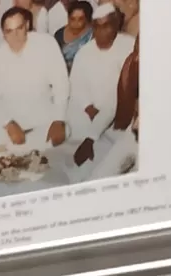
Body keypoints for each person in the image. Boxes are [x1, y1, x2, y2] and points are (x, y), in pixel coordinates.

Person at [0, 7, 69, 155]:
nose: (15, 36)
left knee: (65, 131)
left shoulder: (46, 44)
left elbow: (61, 84)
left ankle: (9, 148)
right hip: (11, 121)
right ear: (3, 33)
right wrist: (8, 124)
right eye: (9, 31)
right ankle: (21, 146)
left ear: (27, 25)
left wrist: (58, 120)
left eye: (19, 28)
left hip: (43, 119)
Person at [68, 4, 137, 170]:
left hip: (119, 115)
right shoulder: (84, 52)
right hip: (88, 113)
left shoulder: (129, 46)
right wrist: (88, 106)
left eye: (106, 26)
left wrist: (92, 134)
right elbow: (76, 84)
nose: (100, 32)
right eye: (97, 27)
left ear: (116, 25)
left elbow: (119, 95)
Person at [55, 0, 95, 69]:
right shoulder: (59, 35)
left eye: (80, 19)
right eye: (72, 19)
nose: (76, 23)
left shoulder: (93, 35)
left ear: (88, 21)